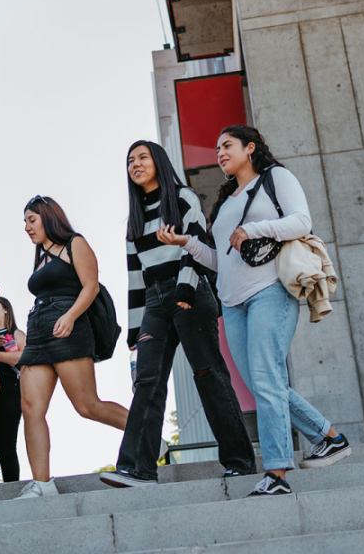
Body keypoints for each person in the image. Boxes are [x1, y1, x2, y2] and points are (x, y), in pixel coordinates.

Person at [159, 126, 352, 497]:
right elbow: (221, 260)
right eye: (216, 148)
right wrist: (188, 243)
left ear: (250, 148)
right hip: (233, 303)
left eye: (227, 145)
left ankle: (277, 474)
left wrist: (254, 228)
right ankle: (329, 436)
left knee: (266, 380)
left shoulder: (275, 178)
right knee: (264, 384)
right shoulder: (227, 200)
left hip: (270, 291)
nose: (219, 152)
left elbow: (301, 221)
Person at [99, 140, 255, 489]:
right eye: (130, 161)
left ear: (158, 161)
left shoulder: (183, 198)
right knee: (147, 381)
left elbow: (196, 244)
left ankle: (239, 462)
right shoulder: (134, 221)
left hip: (190, 291)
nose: (135, 164)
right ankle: (137, 469)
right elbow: (135, 277)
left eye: (142, 158)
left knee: (208, 374)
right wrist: (135, 330)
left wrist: (185, 287)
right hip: (154, 301)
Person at [15, 195, 129, 499]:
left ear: (48, 217)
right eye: (24, 221)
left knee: (86, 406)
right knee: (30, 407)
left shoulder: (74, 243)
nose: (26, 227)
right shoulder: (40, 256)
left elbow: (91, 285)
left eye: (31, 220)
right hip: (39, 328)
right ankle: (42, 484)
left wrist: (70, 316)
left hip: (70, 325)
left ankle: (143, 434)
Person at [0, 296, 25, 482]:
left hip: (10, 392)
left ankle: (12, 488)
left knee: (6, 446)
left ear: (5, 308)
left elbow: (23, 357)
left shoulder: (16, 333)